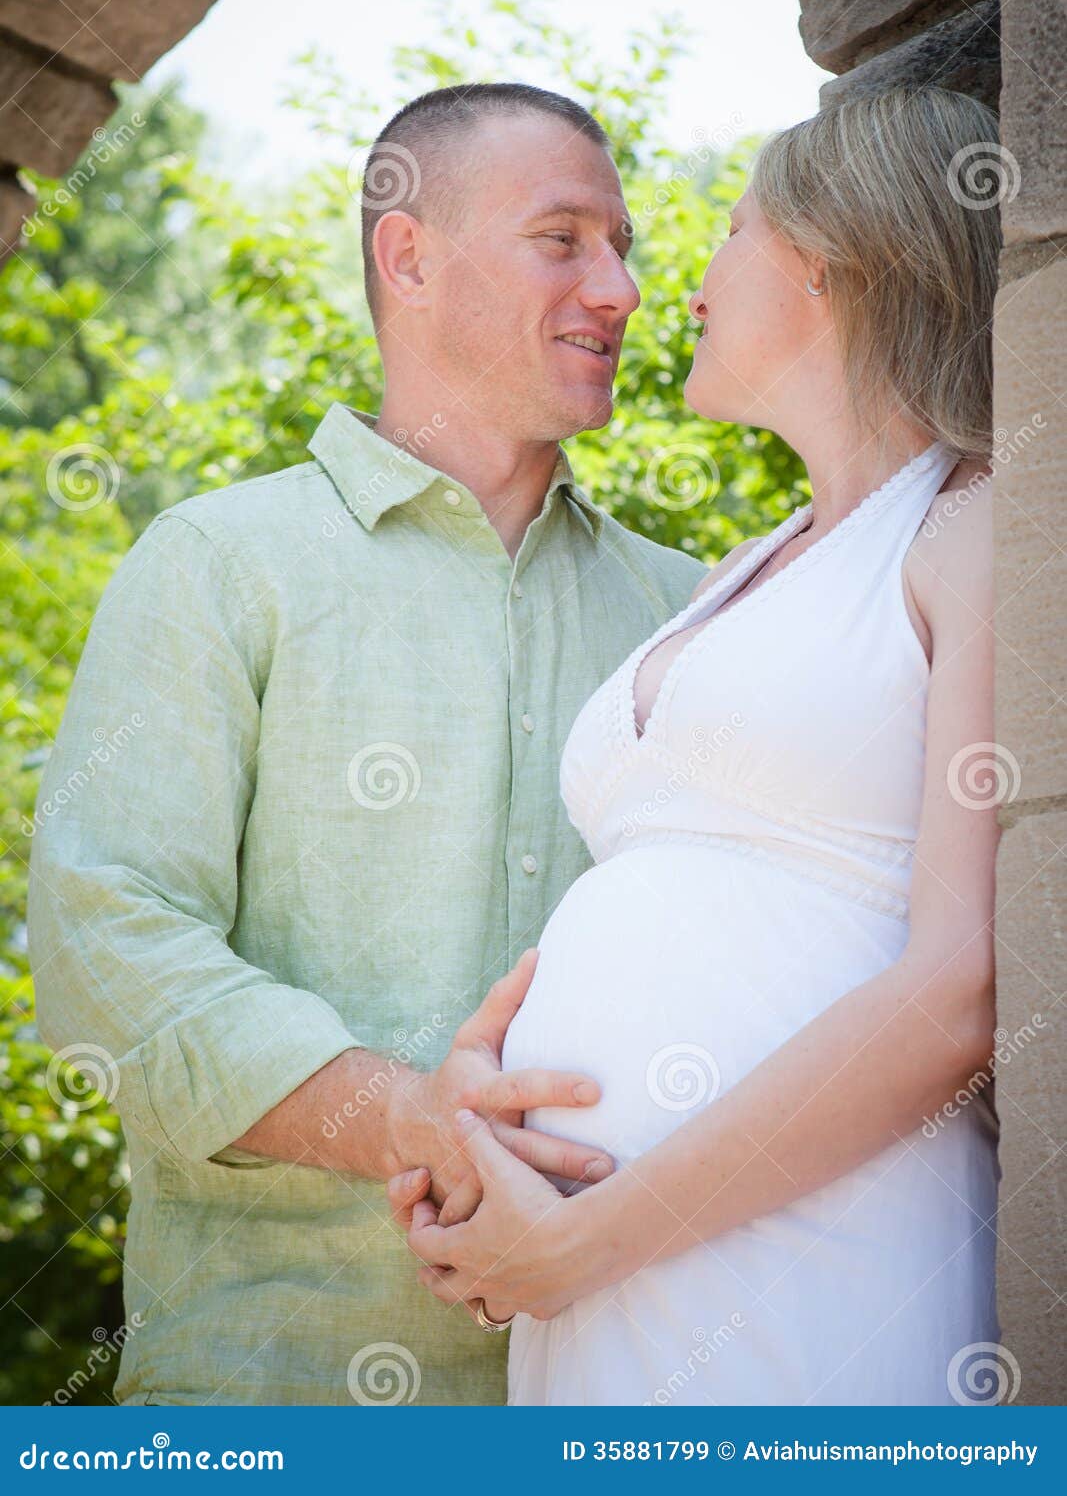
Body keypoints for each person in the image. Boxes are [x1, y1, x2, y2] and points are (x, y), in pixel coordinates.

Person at [27, 83, 706, 1406]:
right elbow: (109, 949)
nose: (620, 286)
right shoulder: (218, 565)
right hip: (273, 1395)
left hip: (626, 1388)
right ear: (410, 254)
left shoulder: (692, 614)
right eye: (565, 237)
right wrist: (410, 1117)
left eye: (623, 244)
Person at [389, 85, 1003, 1407]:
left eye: (728, 229)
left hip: (813, 1247)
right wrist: (475, 1094)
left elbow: (962, 983)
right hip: (593, 1275)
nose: (678, 279)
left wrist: (580, 1240)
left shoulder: (974, 529)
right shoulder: (736, 573)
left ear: (830, 266)